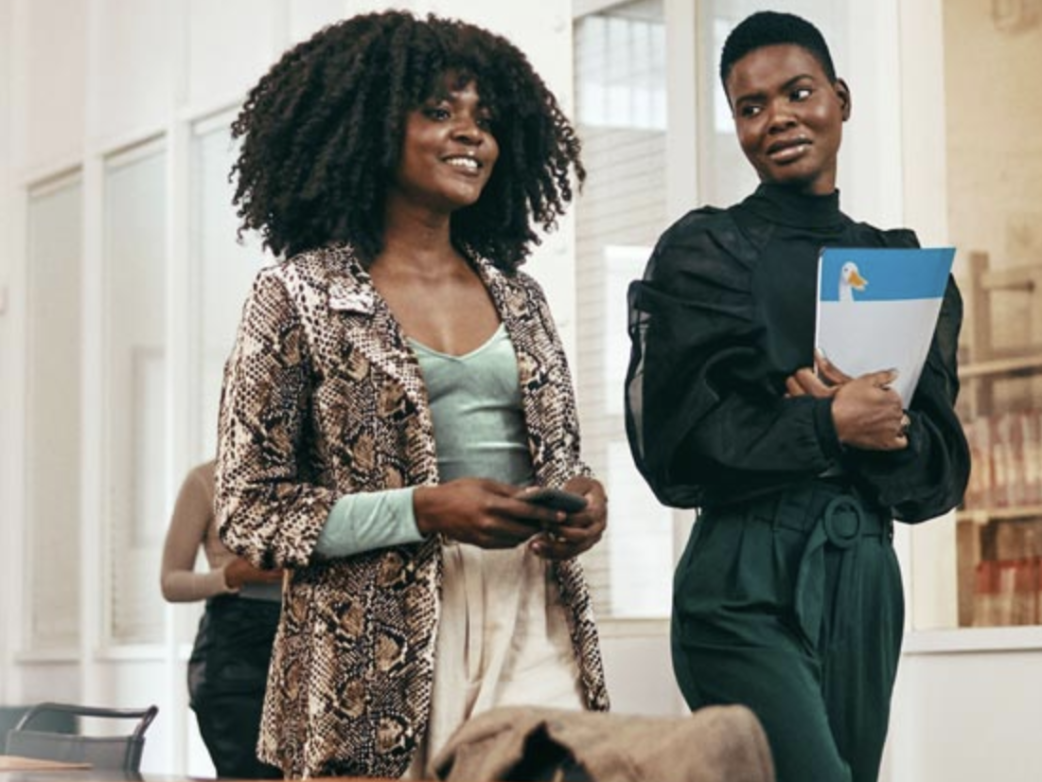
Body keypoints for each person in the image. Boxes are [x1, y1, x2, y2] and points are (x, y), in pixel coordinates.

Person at [215, 10, 609, 778]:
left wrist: (582, 502)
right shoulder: (298, 295)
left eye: (485, 121)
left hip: (531, 611)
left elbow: (563, 461)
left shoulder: (522, 298)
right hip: (372, 649)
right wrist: (424, 510)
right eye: (439, 111)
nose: (471, 135)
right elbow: (249, 511)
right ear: (368, 126)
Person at [624, 11, 969, 782]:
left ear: (841, 99)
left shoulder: (905, 268)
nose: (776, 117)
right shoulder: (706, 252)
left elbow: (941, 472)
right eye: (750, 107)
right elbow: (675, 450)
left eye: (797, 92)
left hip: (867, 573)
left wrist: (887, 429)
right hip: (741, 577)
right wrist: (825, 423)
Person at [160, 460, 283, 779]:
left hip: (306, 643)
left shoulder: (317, 474)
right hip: (234, 651)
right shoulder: (205, 479)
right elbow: (170, 582)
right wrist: (229, 575)